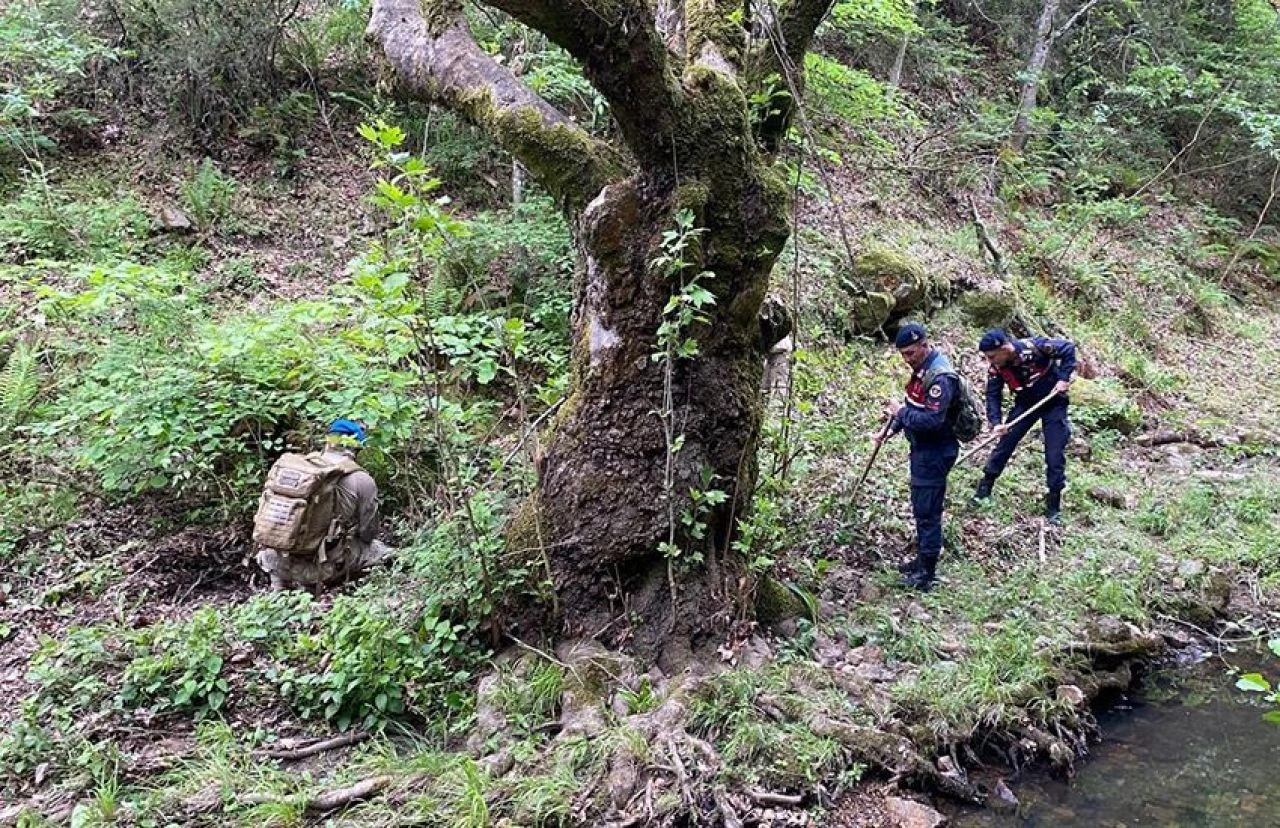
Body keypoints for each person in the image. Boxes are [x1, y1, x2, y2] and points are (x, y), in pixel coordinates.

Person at [256, 419, 393, 590]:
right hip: (321, 567)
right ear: (357, 446)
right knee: (382, 552)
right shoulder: (362, 480)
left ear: (328, 441)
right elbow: (368, 532)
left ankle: (279, 590)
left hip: (271, 560)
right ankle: (333, 588)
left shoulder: (297, 468)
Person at [878, 322, 961, 592]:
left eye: (911, 353)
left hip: (936, 451)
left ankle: (927, 573)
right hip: (922, 450)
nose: (907, 359)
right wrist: (892, 429)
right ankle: (922, 560)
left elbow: (931, 420)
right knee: (921, 507)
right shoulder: (921, 371)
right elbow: (913, 405)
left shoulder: (940, 377)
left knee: (927, 512)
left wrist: (901, 414)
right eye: (903, 354)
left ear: (925, 345)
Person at [972, 330, 1076, 524]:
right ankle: (984, 488)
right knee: (1005, 443)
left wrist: (1063, 378)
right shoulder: (997, 368)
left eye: (992, 356)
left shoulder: (1036, 347)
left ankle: (1053, 505)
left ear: (1005, 348)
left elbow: (1068, 348)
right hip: (1025, 404)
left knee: (1054, 453)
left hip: (1054, 402)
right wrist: (996, 423)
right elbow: (993, 395)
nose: (990, 361)